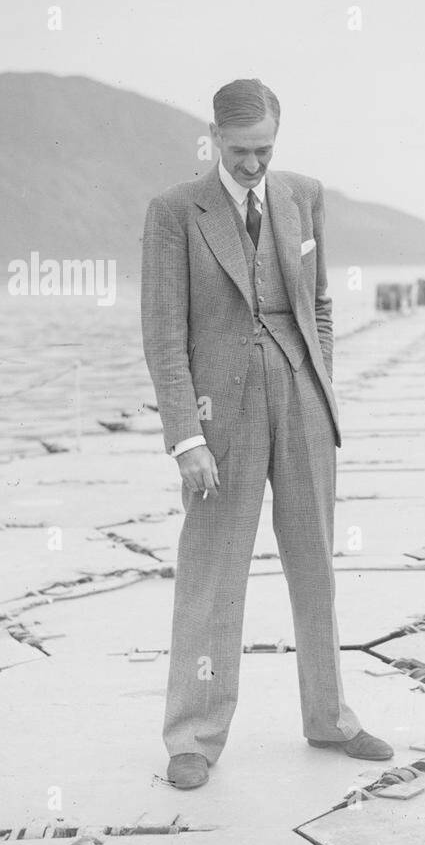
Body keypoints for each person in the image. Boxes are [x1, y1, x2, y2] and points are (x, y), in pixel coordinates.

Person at [140, 78, 391, 790]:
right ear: (213, 137)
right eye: (242, 151)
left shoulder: (303, 194)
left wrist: (322, 388)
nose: (254, 165)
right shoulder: (172, 212)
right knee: (211, 576)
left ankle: (330, 717)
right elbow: (164, 334)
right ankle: (193, 735)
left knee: (316, 564)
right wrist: (186, 437)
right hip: (222, 413)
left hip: (302, 398)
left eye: (266, 150)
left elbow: (318, 305)